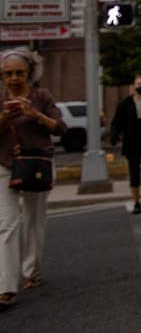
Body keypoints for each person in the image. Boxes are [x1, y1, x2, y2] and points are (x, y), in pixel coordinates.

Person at [0, 48, 66, 309]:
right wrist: (5, 117)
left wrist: (35, 114)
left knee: (34, 219)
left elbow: (60, 128)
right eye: (8, 74)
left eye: (19, 72)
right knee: (7, 223)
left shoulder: (41, 96)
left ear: (29, 72)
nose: (14, 78)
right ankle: (6, 286)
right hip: (5, 164)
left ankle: (31, 270)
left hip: (37, 165)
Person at [110, 74, 141, 215]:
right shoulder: (125, 104)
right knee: (134, 173)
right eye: (138, 84)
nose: (140, 86)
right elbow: (117, 122)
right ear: (133, 86)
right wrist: (114, 135)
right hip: (131, 143)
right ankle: (136, 200)